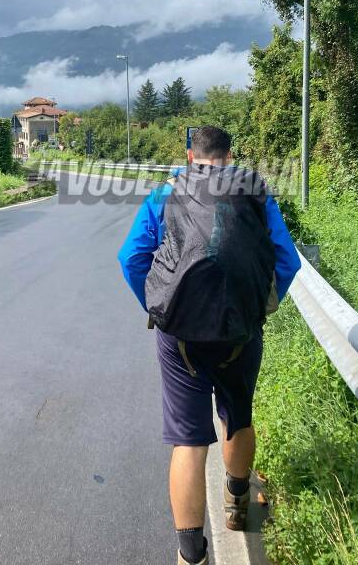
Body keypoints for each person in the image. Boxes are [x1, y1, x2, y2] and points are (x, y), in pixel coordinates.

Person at [118, 126, 301, 565]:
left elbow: (131, 257)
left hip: (179, 338)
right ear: (230, 155)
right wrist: (257, 310)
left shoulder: (166, 192)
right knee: (238, 415)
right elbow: (287, 260)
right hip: (241, 333)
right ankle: (237, 500)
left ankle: (190, 554)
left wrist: (160, 306)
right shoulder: (255, 192)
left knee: (188, 441)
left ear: (189, 156)